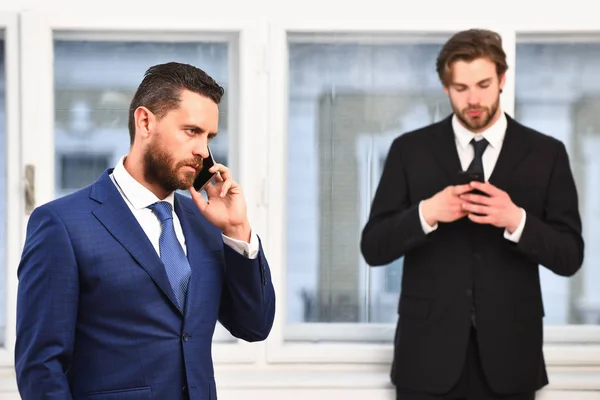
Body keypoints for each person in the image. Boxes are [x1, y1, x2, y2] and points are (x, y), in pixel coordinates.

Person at [15, 62, 276, 400]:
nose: (203, 151)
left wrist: (237, 229)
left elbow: (253, 326)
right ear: (145, 122)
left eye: (209, 137)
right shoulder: (62, 225)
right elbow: (40, 367)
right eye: (191, 131)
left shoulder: (208, 226)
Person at [360, 29, 584, 400]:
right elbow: (373, 248)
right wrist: (426, 213)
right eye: (461, 88)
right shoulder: (408, 150)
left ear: (502, 80)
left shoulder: (547, 153)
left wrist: (517, 220)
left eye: (483, 84)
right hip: (425, 360)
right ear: (446, 88)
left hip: (513, 360)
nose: (474, 99)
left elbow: (570, 256)